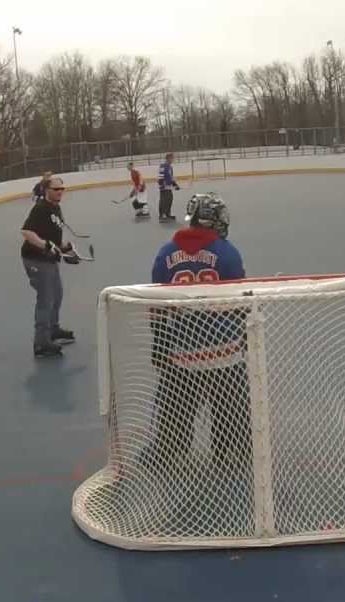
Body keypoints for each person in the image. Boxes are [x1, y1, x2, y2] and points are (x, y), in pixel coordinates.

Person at [143, 192, 248, 470]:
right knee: (231, 409)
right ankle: (230, 455)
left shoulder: (166, 253)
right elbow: (238, 300)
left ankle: (168, 451)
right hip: (223, 351)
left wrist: (159, 341)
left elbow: (157, 302)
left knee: (176, 409)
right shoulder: (227, 252)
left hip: (182, 351)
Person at [20, 174, 79, 358]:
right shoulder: (41, 208)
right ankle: (41, 342)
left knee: (57, 294)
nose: (60, 192)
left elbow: (54, 239)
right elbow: (27, 232)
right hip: (36, 260)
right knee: (46, 298)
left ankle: (53, 329)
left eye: (62, 189)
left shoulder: (56, 208)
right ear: (47, 191)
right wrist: (45, 245)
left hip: (49, 260)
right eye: (56, 189)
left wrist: (66, 249)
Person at [157, 152, 181, 222]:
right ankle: (162, 215)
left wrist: (175, 184)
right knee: (163, 200)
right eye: (172, 158)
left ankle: (167, 214)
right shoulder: (163, 165)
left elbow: (171, 177)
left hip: (168, 186)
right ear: (168, 158)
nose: (173, 159)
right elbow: (161, 176)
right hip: (164, 186)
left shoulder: (170, 166)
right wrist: (162, 183)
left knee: (169, 199)